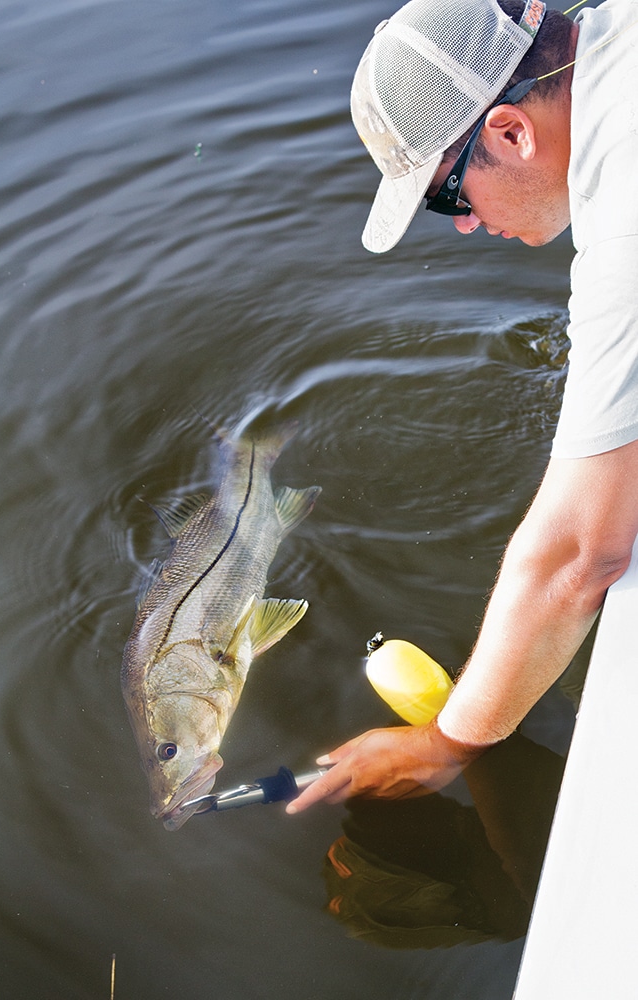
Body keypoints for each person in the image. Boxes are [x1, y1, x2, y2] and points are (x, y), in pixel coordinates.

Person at [287, 0, 638, 813]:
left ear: (511, 132)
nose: (467, 226)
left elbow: (580, 554)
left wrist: (448, 740)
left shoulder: (624, 225)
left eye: (449, 195)